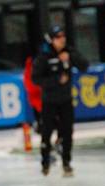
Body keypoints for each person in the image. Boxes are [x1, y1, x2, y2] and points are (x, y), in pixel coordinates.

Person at [32, 25, 89, 177]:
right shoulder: (44, 56)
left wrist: (71, 58)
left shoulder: (69, 51)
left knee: (67, 131)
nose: (62, 40)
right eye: (58, 37)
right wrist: (56, 80)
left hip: (66, 100)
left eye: (63, 36)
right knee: (47, 132)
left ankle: (67, 163)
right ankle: (45, 162)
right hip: (49, 101)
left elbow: (85, 65)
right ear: (52, 40)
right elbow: (35, 78)